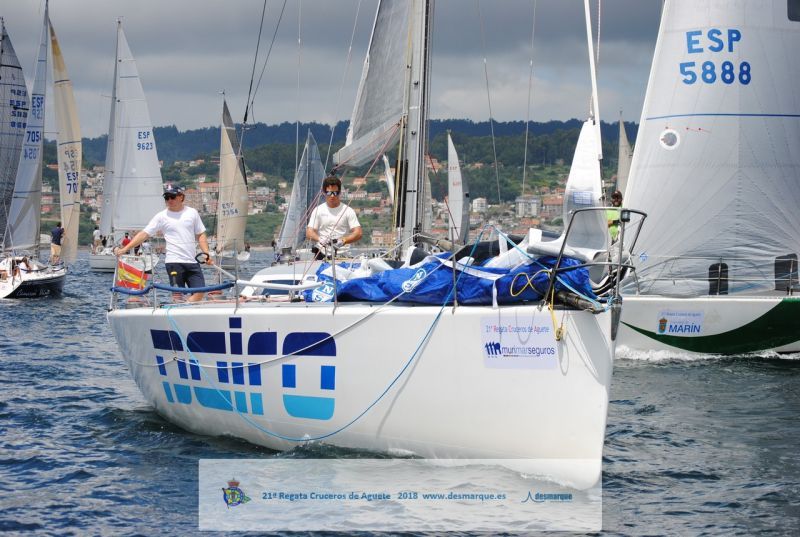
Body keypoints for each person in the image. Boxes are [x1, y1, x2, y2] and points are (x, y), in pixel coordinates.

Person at [114, 184, 213, 302]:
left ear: (181, 197)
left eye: (172, 196)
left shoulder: (192, 213)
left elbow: (201, 234)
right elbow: (144, 234)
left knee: (200, 292)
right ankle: (180, 312)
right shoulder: (161, 216)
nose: (169, 200)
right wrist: (124, 249)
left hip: (192, 261)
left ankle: (185, 309)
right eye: (167, 197)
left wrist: (206, 253)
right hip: (173, 261)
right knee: (177, 296)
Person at [306, 176, 362, 260]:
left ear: (339, 193)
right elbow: (309, 232)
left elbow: (358, 233)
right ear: (324, 193)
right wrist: (320, 239)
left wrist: (344, 240)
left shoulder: (348, 211)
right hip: (322, 254)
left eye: (335, 193)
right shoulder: (318, 210)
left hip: (342, 255)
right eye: (329, 193)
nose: (332, 196)